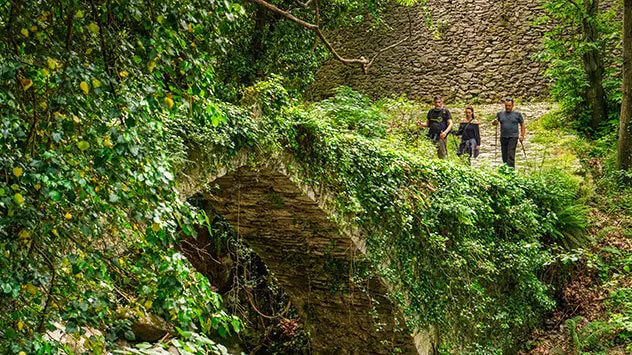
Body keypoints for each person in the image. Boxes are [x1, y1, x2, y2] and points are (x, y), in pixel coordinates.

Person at [492, 97, 525, 168]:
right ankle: (505, 169)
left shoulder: (517, 114)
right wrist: (494, 122)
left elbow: (522, 124)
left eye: (509, 106)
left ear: (513, 105)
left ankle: (511, 171)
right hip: (503, 137)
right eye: (506, 105)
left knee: (510, 154)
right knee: (504, 155)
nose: (507, 107)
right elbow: (494, 122)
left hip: (513, 137)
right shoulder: (500, 114)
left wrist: (522, 135)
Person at [417, 95, 453, 159]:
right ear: (434, 102)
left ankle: (444, 167)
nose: (437, 104)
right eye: (436, 102)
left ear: (442, 102)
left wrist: (445, 132)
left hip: (441, 136)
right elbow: (427, 124)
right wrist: (421, 124)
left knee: (442, 155)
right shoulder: (431, 112)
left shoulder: (445, 112)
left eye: (439, 102)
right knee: (429, 154)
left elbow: (450, 124)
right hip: (431, 135)